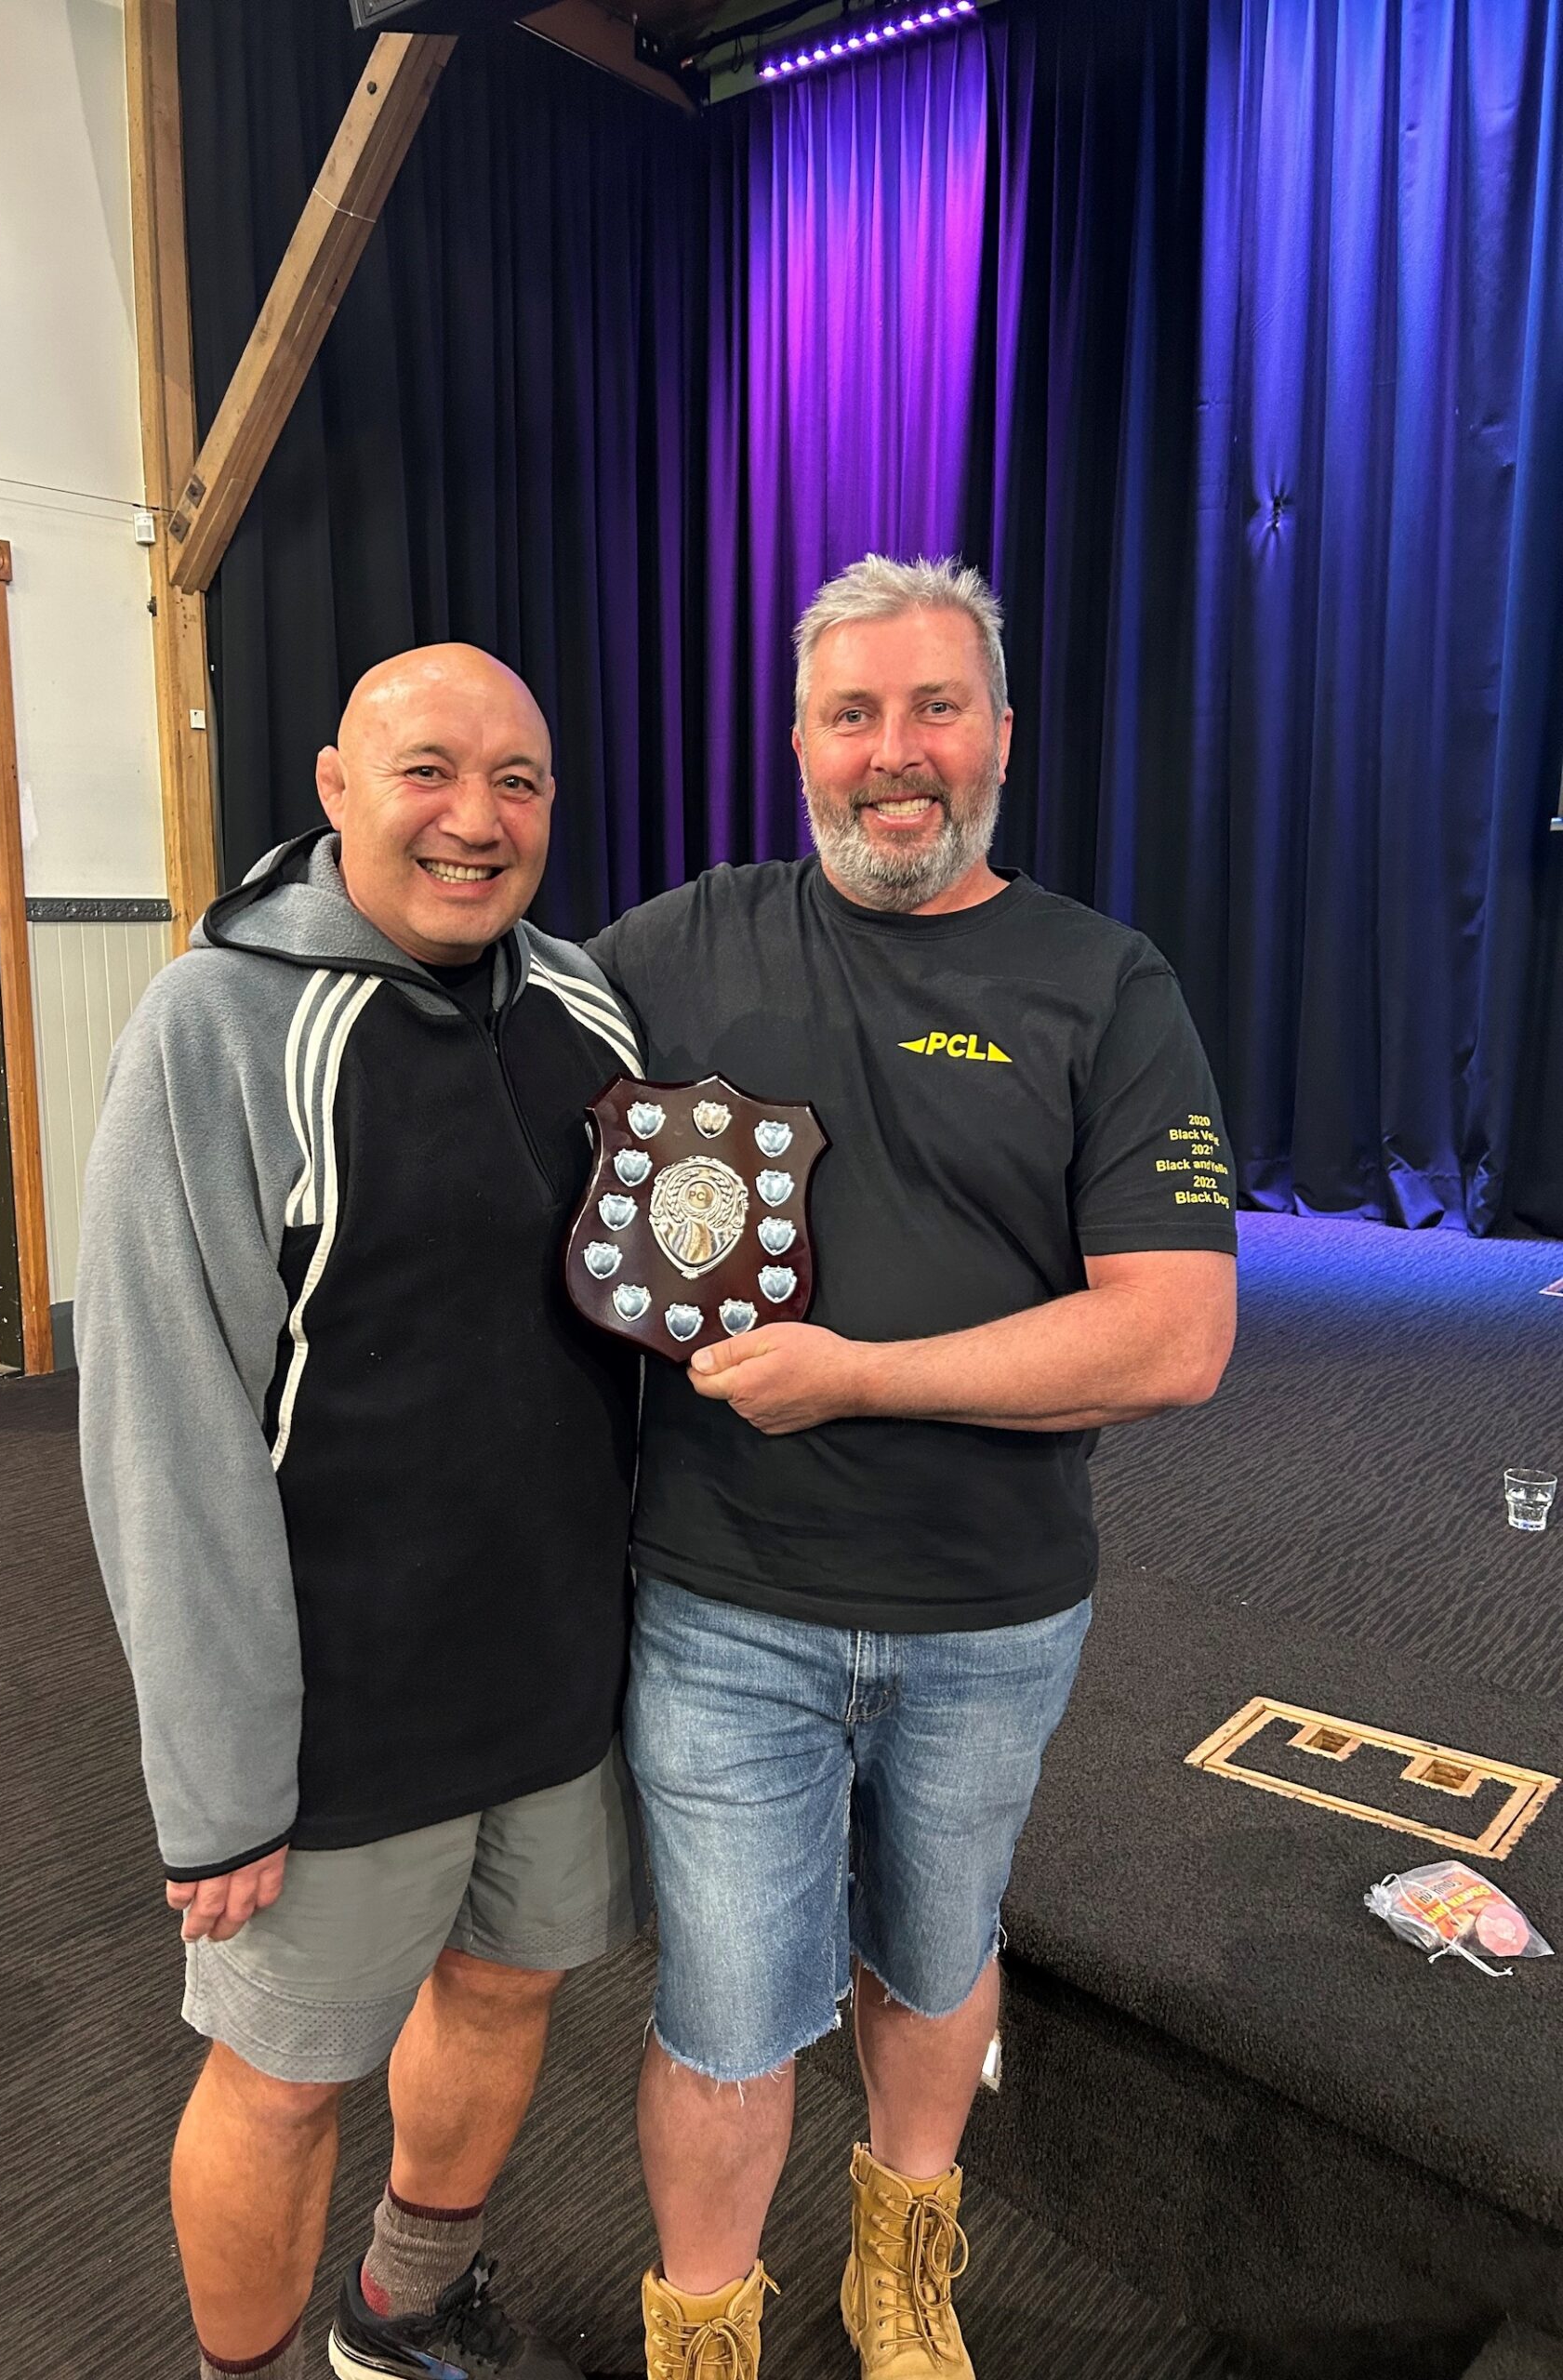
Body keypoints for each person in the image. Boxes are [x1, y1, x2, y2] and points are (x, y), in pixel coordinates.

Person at [588, 555, 1238, 2380]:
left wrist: (859, 1373)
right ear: (796, 739)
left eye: (934, 707)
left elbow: (1174, 1335)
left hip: (992, 1614)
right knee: (724, 2010)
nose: (896, 753)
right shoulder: (672, 948)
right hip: (722, 1605)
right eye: (852, 712)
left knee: (936, 1956)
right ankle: (704, 2336)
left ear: (1000, 736)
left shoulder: (1105, 984)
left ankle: (903, 2264)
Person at [77, 644, 646, 2380]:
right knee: (283, 2080)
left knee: (505, 1987)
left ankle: (403, 2310)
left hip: (549, 1681)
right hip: (332, 1715)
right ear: (334, 787)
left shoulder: (590, 1013)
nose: (477, 821)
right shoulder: (221, 1023)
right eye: (428, 772)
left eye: (522, 782)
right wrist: (219, 1778)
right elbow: (160, 1432)